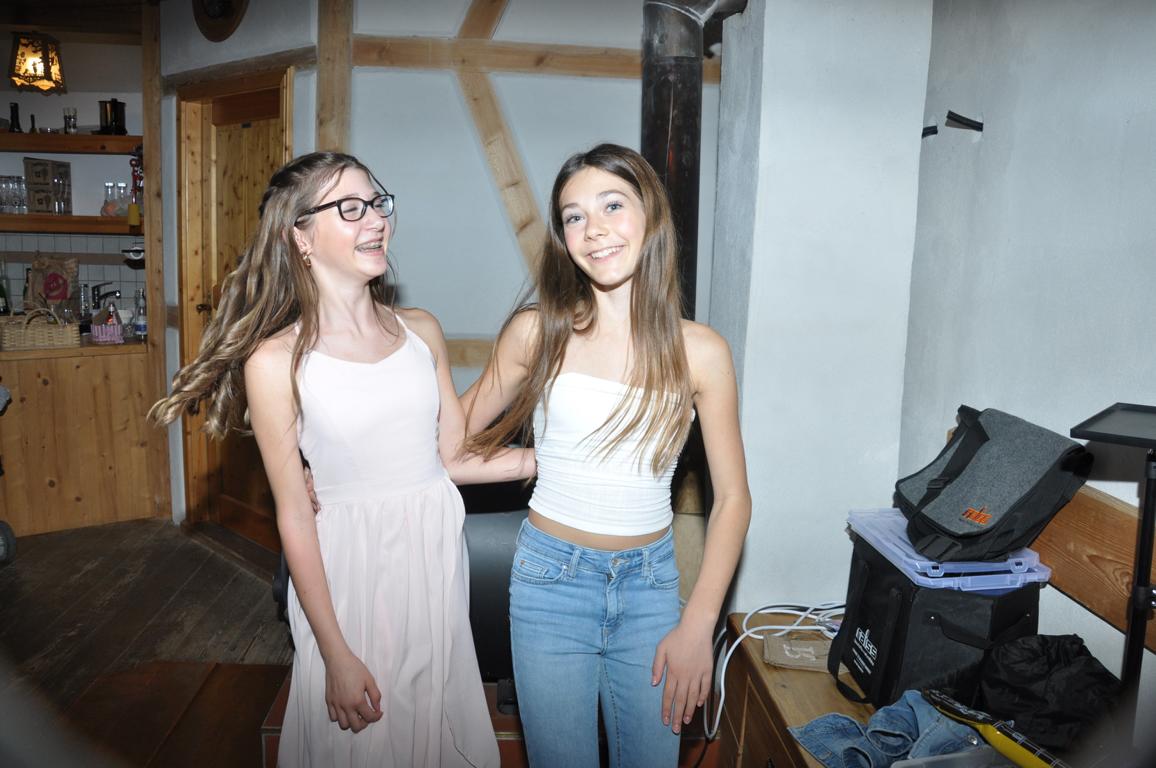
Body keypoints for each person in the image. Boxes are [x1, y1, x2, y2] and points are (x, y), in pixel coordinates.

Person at [149, 152, 533, 768]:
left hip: (433, 560)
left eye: (377, 203)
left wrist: (552, 462)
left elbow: (452, 458)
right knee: (367, 740)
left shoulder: (421, 331)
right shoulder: (276, 361)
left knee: (433, 727)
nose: (376, 220)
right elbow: (295, 515)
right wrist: (334, 655)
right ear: (299, 236)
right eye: (350, 209)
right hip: (351, 570)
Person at [463, 143, 752, 767]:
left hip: (651, 588)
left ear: (650, 215)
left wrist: (699, 624)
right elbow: (448, 438)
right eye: (574, 216)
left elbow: (732, 498)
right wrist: (535, 462)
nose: (593, 228)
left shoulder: (702, 351)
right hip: (549, 584)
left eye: (612, 205)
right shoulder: (537, 332)